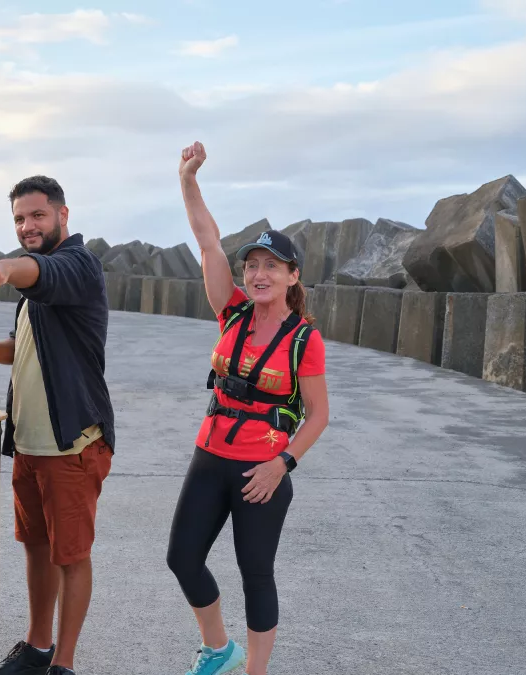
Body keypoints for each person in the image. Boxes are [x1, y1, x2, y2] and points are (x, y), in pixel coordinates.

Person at [167, 141, 330, 675]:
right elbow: (206, 239)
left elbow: (317, 415)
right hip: (209, 454)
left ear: (292, 277)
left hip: (262, 469)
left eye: (271, 266)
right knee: (182, 559)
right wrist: (188, 178)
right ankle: (219, 649)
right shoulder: (231, 313)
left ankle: (255, 671)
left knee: (255, 572)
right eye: (252, 265)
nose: (259, 274)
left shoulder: (305, 339)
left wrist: (280, 464)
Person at [0, 176, 114, 675]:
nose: (28, 226)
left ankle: (62, 665)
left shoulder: (78, 265)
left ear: (63, 215)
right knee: (38, 548)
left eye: (37, 215)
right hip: (30, 446)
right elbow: (24, 345)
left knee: (71, 556)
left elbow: (38, 271)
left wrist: (4, 266)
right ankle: (37, 645)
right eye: (20, 218)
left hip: (71, 444)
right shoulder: (37, 284)